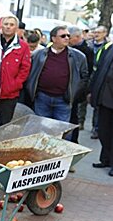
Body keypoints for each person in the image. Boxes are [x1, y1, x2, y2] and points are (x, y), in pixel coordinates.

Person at [25, 26, 88, 127]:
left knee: (61, 131)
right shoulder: (39, 55)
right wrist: (33, 92)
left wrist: (73, 95)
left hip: (64, 100)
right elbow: (30, 74)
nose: (67, 38)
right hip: (42, 98)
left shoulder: (79, 57)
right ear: (53, 39)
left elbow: (84, 78)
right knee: (40, 129)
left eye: (68, 35)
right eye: (63, 36)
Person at [89, 42, 113, 176]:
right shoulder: (109, 48)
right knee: (104, 131)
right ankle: (105, 159)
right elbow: (99, 71)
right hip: (105, 98)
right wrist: (92, 91)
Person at [68, 26, 94, 139]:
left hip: (76, 89)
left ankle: (73, 139)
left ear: (77, 37)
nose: (67, 39)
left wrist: (82, 89)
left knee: (74, 115)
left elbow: (86, 73)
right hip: (65, 88)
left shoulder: (86, 51)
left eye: (69, 36)